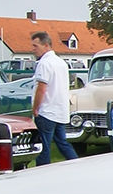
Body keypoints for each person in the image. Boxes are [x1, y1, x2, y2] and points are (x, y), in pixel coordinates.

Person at [30, 30, 78, 164]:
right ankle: (76, 164)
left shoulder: (44, 64)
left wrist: (35, 109)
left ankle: (42, 171)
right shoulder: (61, 63)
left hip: (47, 111)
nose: (33, 49)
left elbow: (42, 88)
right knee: (62, 142)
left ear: (46, 45)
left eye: (35, 46)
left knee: (44, 146)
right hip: (60, 110)